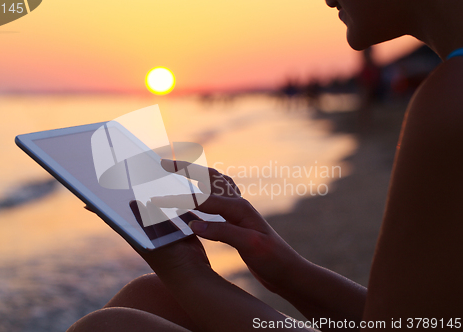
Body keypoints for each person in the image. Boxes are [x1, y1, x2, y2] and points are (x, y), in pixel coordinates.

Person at [67, 0, 463, 330]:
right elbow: (412, 321)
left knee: (109, 327)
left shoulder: (450, 100)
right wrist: (288, 271)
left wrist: (188, 272)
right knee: (151, 295)